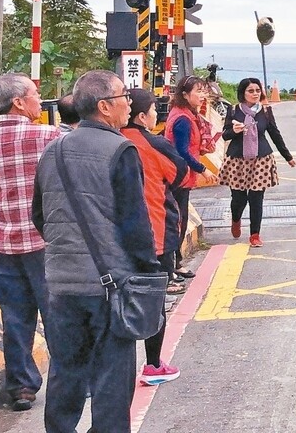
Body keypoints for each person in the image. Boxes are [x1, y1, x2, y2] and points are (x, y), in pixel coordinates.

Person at [32, 71, 161, 433]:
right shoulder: (121, 150)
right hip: (109, 286)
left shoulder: (52, 150)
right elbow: (134, 224)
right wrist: (149, 272)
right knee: (112, 378)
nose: (129, 103)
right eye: (123, 97)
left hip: (60, 285)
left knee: (66, 370)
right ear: (105, 106)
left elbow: (39, 216)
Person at [0, 73, 59, 412]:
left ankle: (22, 387)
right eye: (36, 95)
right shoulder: (47, 135)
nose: (40, 101)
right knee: (56, 314)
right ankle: (68, 379)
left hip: (3, 240)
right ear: (19, 102)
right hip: (41, 240)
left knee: (15, 316)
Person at [121, 87, 199, 386]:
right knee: (154, 302)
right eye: (154, 109)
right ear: (141, 116)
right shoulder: (153, 144)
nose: (157, 115)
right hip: (154, 233)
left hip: (114, 239)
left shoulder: (108, 142)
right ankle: (153, 364)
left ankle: (115, 368)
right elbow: (179, 175)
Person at [221, 77, 296, 247]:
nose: (255, 94)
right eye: (250, 91)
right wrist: (234, 130)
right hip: (237, 160)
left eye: (257, 90)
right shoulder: (233, 110)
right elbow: (225, 134)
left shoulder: (266, 112)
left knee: (256, 198)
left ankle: (255, 234)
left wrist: (288, 156)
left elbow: (275, 135)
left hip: (261, 159)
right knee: (239, 199)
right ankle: (236, 219)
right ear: (243, 93)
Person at [162, 75, 217, 279]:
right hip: (179, 175)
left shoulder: (184, 114)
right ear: (185, 95)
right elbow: (182, 151)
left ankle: (175, 263)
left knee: (179, 218)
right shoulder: (183, 119)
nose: (202, 96)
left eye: (204, 91)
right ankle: (174, 264)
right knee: (178, 220)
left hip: (181, 174)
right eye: (198, 91)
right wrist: (203, 169)